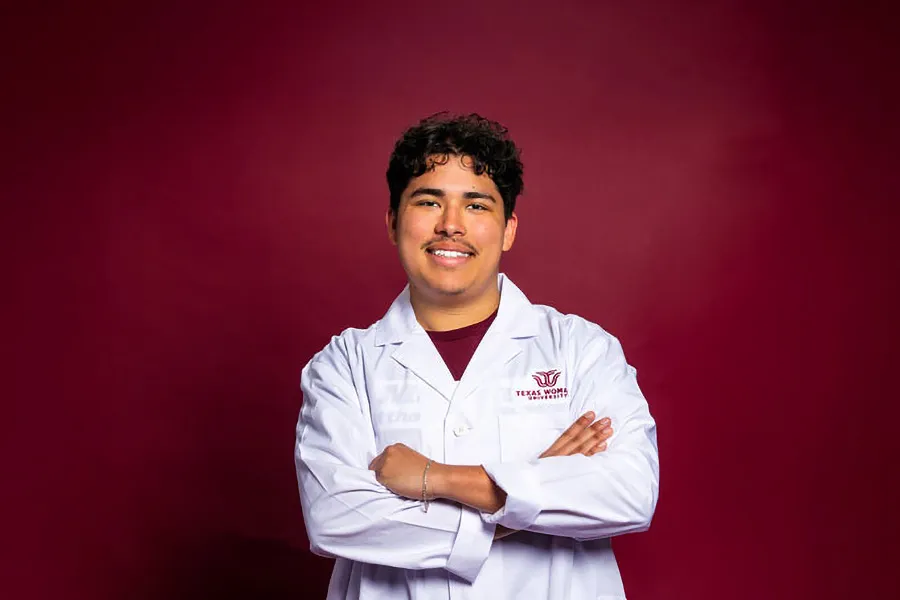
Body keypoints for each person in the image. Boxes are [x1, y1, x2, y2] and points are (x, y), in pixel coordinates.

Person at [294, 113, 659, 599]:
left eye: (476, 205)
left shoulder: (582, 350)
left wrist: (435, 478)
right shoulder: (343, 365)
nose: (451, 226)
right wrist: (527, 493)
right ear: (392, 222)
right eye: (428, 201)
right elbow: (337, 517)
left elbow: (627, 493)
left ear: (508, 229)